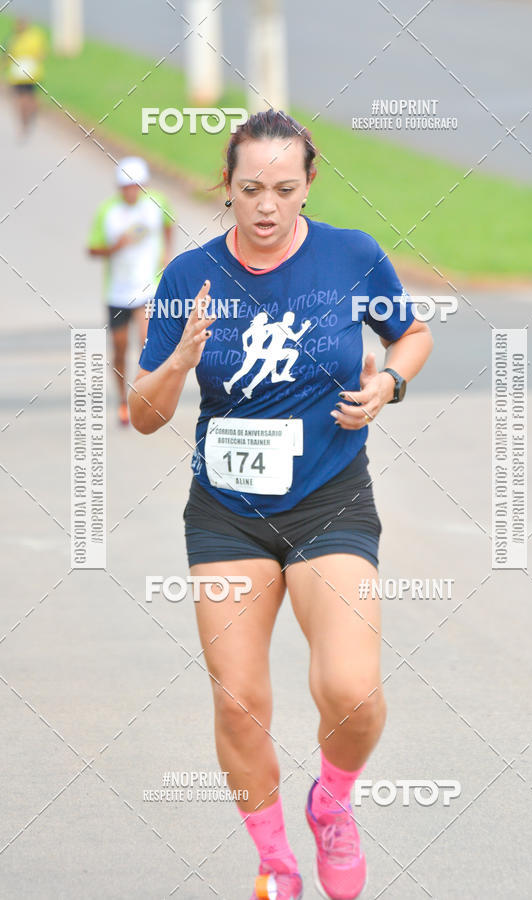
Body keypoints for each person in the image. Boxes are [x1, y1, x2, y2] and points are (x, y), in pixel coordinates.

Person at [129, 109, 433, 900]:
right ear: (226, 188)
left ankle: (332, 804)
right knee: (239, 701)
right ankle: (275, 860)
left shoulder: (350, 257)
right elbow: (145, 413)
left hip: (329, 497)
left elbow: (412, 335)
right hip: (227, 512)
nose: (267, 206)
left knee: (353, 692)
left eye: (285, 189)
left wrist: (388, 383)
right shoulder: (188, 277)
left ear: (308, 187)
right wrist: (179, 362)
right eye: (251, 188)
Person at [88, 157, 174, 425]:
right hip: (118, 291)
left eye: (137, 186)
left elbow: (169, 226)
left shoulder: (157, 203)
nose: (132, 191)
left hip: (148, 287)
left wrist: (167, 254)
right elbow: (93, 248)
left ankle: (145, 399)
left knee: (148, 342)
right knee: (120, 347)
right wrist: (115, 247)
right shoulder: (108, 212)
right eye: (127, 186)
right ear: (119, 187)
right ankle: (122, 400)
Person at [3, 17, 48, 138]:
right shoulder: (35, 37)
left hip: (23, 75)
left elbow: (7, 56)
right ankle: (29, 115)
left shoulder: (14, 39)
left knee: (23, 98)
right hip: (28, 74)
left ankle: (25, 120)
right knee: (27, 97)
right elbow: (42, 54)